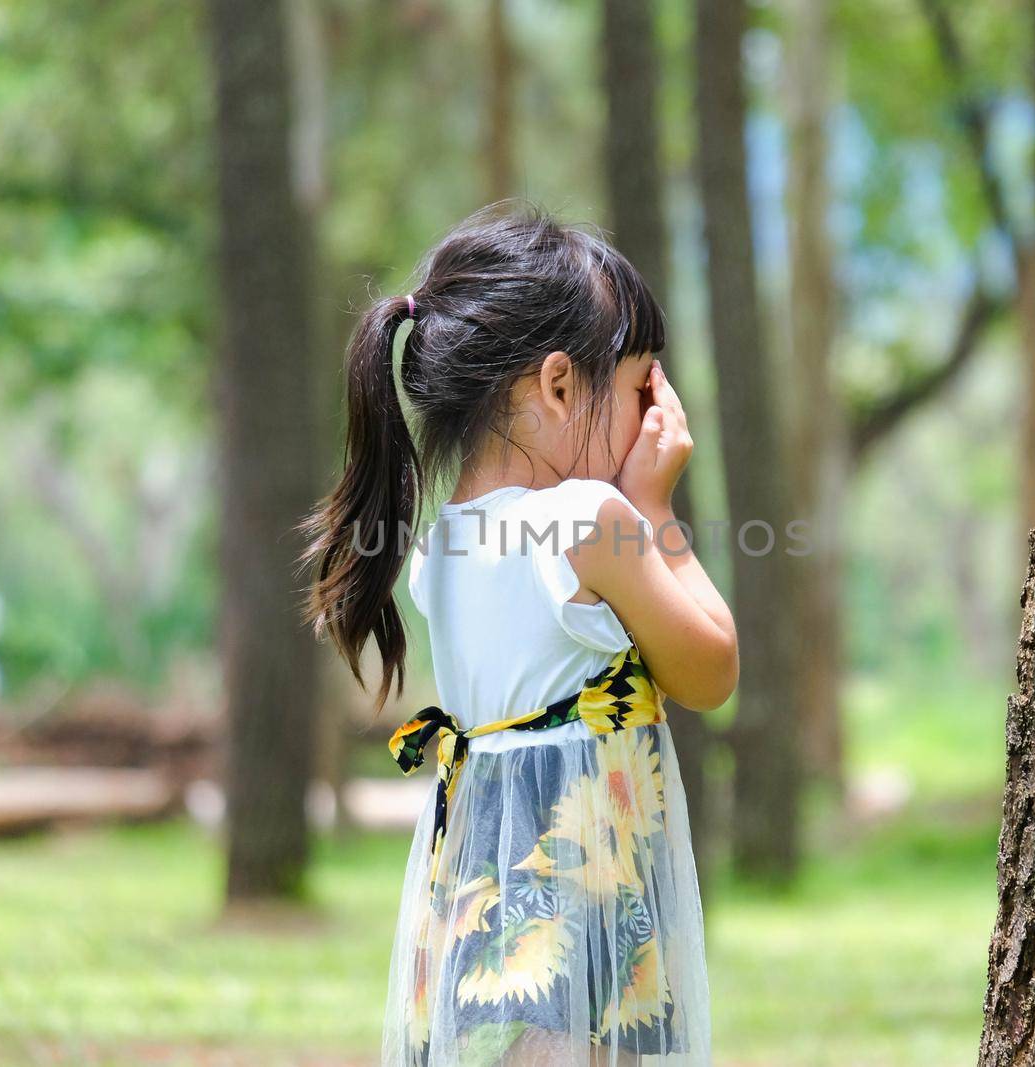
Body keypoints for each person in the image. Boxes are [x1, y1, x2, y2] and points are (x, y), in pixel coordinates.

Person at [301, 201, 737, 1066]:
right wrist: (656, 506)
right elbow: (711, 667)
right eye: (640, 386)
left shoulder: (443, 541)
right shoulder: (591, 519)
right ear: (560, 385)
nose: (653, 419)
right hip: (580, 881)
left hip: (478, 873)